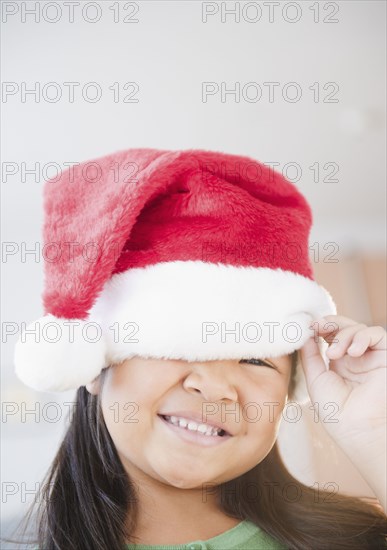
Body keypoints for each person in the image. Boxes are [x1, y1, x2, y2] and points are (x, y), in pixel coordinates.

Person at [7, 148, 387, 549]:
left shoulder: (356, 538)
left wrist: (374, 434)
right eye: (178, 345)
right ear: (96, 366)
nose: (216, 386)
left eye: (256, 358)